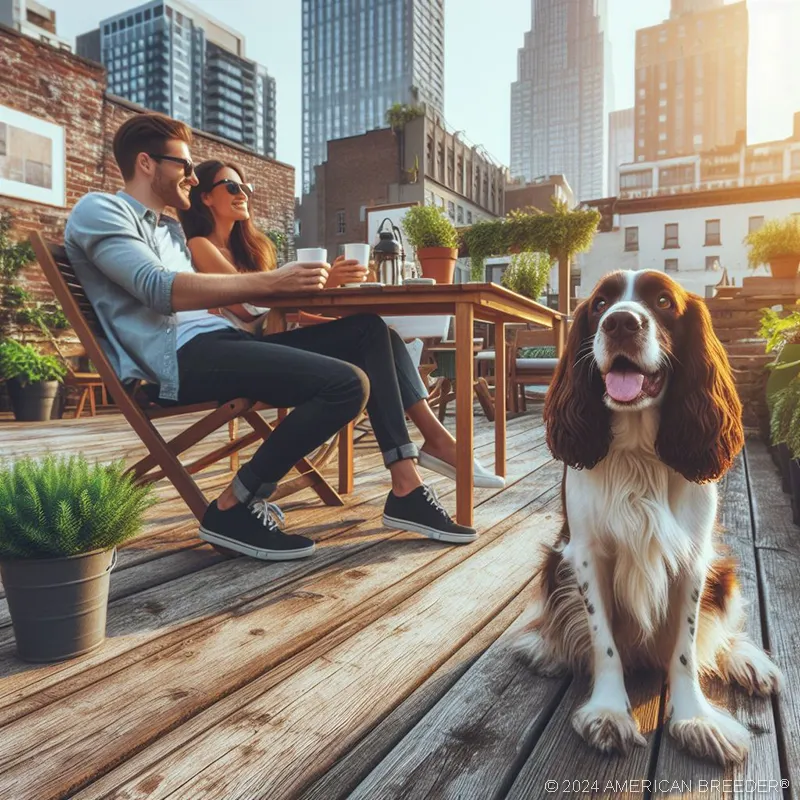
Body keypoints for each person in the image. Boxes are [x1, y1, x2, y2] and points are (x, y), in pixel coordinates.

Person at [64, 113, 494, 562]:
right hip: (178, 362)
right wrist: (274, 282)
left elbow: (229, 310)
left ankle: (406, 486)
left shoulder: (168, 230)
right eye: (184, 166)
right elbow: (155, 288)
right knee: (347, 384)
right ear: (146, 163)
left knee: (369, 330)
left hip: (224, 344)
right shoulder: (100, 210)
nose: (191, 176)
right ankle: (231, 507)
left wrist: (289, 289)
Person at [178, 158, 504, 492]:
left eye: (245, 187)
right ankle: (431, 451)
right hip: (240, 358)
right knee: (368, 338)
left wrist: (330, 291)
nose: (242, 193)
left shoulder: (252, 252)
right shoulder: (200, 245)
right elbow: (246, 308)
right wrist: (319, 281)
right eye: (231, 187)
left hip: (268, 345)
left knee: (374, 330)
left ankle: (434, 444)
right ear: (205, 197)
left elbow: (284, 313)